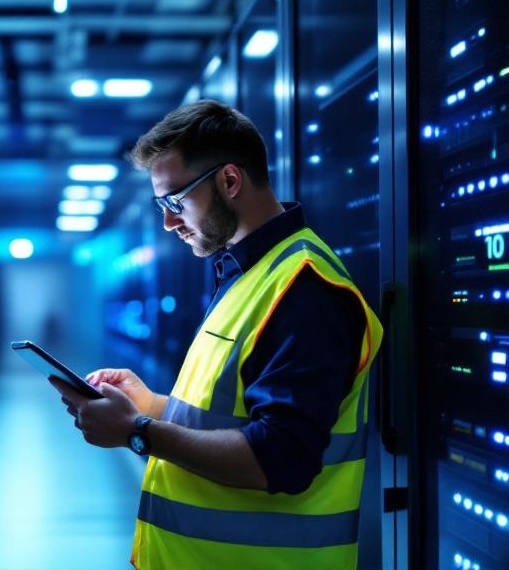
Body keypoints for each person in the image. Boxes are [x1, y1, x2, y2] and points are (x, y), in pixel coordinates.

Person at [50, 100, 382, 569]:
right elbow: (231, 416)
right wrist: (150, 406)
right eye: (161, 205)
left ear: (229, 181)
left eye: (175, 202)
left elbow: (281, 457)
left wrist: (138, 432)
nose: (168, 222)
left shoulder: (305, 289)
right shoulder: (248, 274)